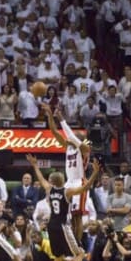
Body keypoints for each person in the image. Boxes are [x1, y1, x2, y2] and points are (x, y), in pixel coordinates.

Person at [27, 154, 99, 261]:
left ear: (53, 182)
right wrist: (95, 172)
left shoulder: (49, 189)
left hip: (51, 225)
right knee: (80, 253)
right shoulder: (67, 191)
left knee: (57, 256)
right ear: (63, 180)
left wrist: (35, 165)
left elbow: (41, 179)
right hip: (62, 226)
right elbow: (85, 188)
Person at [44, 104, 92, 242]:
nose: (71, 137)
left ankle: (78, 243)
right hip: (68, 183)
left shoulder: (85, 149)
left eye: (76, 137)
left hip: (79, 182)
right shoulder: (68, 148)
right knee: (70, 215)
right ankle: (71, 242)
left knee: (77, 216)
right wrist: (49, 115)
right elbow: (54, 131)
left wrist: (61, 119)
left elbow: (69, 134)